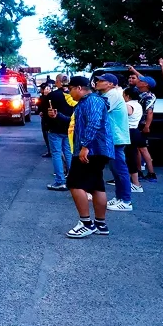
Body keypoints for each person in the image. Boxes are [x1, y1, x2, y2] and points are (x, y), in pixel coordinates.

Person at [64, 76, 112, 238]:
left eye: (70, 89)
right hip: (96, 149)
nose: (69, 93)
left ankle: (85, 223)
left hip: (92, 149)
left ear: (79, 88)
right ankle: (100, 224)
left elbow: (94, 122)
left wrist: (85, 146)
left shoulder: (92, 101)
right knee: (96, 185)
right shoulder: (89, 101)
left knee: (74, 183)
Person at [95, 74, 132, 212]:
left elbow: (99, 111)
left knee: (120, 170)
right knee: (116, 171)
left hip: (116, 138)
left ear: (110, 84)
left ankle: (126, 200)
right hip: (112, 138)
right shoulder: (108, 94)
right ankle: (119, 197)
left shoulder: (113, 95)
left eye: (101, 80)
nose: (97, 82)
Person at [43, 76, 75, 192]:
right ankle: (72, 180)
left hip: (55, 128)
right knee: (69, 153)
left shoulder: (53, 95)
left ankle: (60, 181)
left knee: (56, 153)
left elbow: (45, 111)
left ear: (58, 82)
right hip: (69, 128)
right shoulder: (73, 95)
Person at [129, 71, 157, 182]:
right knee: (137, 149)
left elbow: (150, 112)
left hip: (141, 125)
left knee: (143, 149)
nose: (137, 81)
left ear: (145, 84)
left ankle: (151, 173)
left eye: (140, 80)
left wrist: (147, 126)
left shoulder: (149, 96)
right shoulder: (137, 91)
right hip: (136, 124)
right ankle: (139, 171)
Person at [123, 87, 144, 194]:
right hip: (135, 131)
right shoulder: (138, 104)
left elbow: (127, 113)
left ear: (127, 95)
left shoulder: (129, 105)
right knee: (132, 156)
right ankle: (133, 182)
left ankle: (136, 184)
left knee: (130, 158)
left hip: (129, 132)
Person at [38, 80, 54, 158]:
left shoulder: (50, 97)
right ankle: (50, 150)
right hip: (45, 118)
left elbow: (46, 106)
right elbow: (40, 107)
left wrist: (45, 96)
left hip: (49, 119)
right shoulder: (41, 97)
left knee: (49, 136)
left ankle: (51, 151)